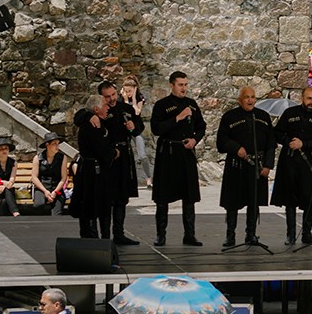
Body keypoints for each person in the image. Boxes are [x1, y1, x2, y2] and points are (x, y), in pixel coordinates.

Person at [150, 70, 206, 246]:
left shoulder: (192, 104)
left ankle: (189, 234)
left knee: (189, 195)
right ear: (172, 85)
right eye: (180, 85)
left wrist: (195, 140)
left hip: (186, 152)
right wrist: (178, 117)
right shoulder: (162, 105)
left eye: (186, 85)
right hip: (168, 153)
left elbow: (201, 126)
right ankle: (161, 234)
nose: (184, 88)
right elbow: (156, 129)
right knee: (163, 196)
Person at [216, 86, 275, 247]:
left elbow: (271, 144)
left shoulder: (262, 116)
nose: (250, 100)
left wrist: (268, 165)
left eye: (253, 97)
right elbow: (221, 141)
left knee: (254, 202)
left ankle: (251, 234)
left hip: (257, 167)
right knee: (232, 202)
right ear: (239, 100)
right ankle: (230, 235)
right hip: (237, 166)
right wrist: (236, 148)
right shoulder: (229, 117)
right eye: (247, 97)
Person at [272, 86, 312, 245]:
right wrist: (289, 142)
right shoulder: (290, 113)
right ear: (302, 98)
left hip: (309, 162)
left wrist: (304, 144)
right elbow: (278, 133)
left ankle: (307, 233)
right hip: (289, 160)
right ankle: (290, 234)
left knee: (310, 199)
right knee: (290, 199)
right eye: (309, 98)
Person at [101, 79, 145, 244]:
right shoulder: (101, 111)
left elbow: (138, 129)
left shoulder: (126, 109)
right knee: (108, 197)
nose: (111, 99)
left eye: (113, 94)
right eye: (107, 96)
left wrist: (133, 127)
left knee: (122, 196)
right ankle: (105, 236)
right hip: (109, 156)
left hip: (125, 154)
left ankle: (119, 234)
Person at [70, 96, 114, 237]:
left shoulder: (101, 121)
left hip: (99, 169)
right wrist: (114, 153)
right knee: (90, 204)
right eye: (105, 105)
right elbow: (100, 148)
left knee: (103, 205)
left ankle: (105, 237)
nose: (108, 108)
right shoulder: (91, 124)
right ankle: (92, 237)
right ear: (96, 109)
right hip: (92, 171)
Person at [29, 133, 67, 217]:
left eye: (58, 143)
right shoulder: (38, 158)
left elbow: (63, 177)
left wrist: (55, 191)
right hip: (41, 188)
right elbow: (34, 177)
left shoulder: (62, 157)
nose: (57, 146)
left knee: (57, 213)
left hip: (56, 188)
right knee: (38, 205)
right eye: (54, 144)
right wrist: (45, 191)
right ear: (47, 145)